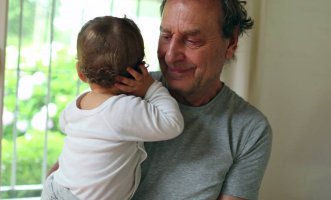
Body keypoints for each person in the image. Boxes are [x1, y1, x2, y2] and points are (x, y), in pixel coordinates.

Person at [116, 0, 273, 199]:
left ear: (231, 42)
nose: (171, 56)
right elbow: (70, 177)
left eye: (192, 40)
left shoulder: (249, 130)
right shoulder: (125, 90)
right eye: (166, 36)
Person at [41, 16, 184, 200]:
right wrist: (151, 87)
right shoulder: (125, 109)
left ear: (80, 73)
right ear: (139, 69)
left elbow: (64, 124)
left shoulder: (78, 103)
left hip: (55, 187)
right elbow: (172, 123)